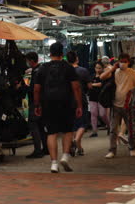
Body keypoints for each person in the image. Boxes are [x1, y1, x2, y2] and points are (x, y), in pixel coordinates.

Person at [34, 42, 82, 173]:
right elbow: (76, 87)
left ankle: (54, 163)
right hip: (66, 102)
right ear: (63, 54)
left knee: (51, 133)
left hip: (48, 103)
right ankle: (65, 156)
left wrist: (37, 105)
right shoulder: (68, 68)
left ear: (50, 53)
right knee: (67, 131)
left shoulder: (43, 68)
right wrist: (79, 104)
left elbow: (37, 89)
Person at [101, 53, 135, 159]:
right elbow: (102, 77)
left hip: (129, 105)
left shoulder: (133, 73)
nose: (123, 63)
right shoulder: (115, 72)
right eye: (121, 61)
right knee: (113, 129)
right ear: (118, 62)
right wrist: (113, 68)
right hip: (115, 104)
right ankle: (112, 150)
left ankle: (132, 148)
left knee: (131, 129)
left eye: (125, 61)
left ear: (129, 62)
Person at [66, 51, 92, 156]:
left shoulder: (65, 72)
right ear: (77, 58)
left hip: (68, 101)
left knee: (73, 125)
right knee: (83, 123)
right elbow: (90, 86)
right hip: (81, 99)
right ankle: (76, 141)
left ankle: (79, 148)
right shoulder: (83, 71)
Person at [25, 52, 48, 158]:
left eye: (27, 60)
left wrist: (24, 87)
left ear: (31, 61)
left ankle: (37, 150)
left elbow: (34, 88)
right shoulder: (42, 69)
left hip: (36, 102)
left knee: (33, 125)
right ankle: (46, 148)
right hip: (43, 101)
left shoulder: (36, 72)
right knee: (41, 125)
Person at [88, 61, 109, 137]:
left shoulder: (104, 76)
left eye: (99, 68)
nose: (98, 69)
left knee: (103, 114)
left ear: (103, 69)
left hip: (102, 97)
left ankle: (109, 126)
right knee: (93, 114)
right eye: (96, 68)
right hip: (92, 97)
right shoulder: (91, 76)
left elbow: (101, 84)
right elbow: (88, 84)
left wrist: (93, 84)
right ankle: (94, 131)